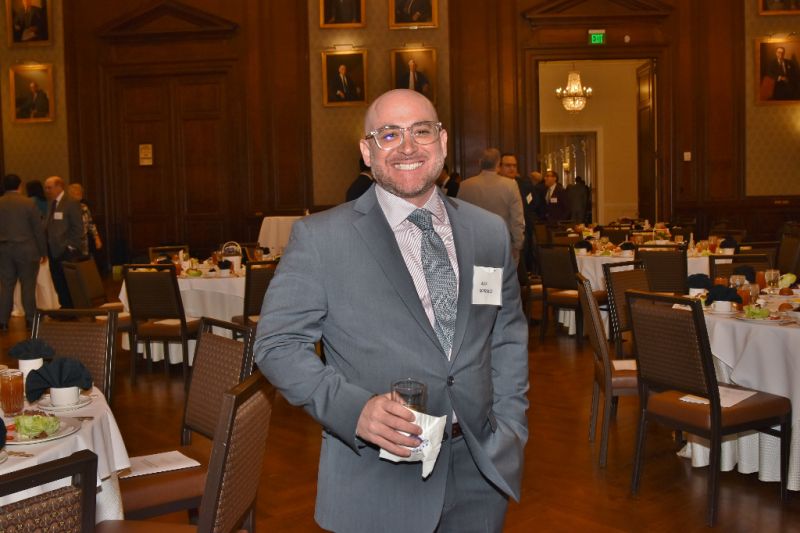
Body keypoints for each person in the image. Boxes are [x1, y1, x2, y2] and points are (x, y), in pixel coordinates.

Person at [255, 89, 528, 532]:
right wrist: (354, 410)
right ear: (367, 151)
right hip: (377, 478)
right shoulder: (321, 239)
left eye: (421, 131)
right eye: (389, 134)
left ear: (442, 142)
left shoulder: (488, 233)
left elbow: (507, 333)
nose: (407, 146)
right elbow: (277, 345)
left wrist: (511, 425)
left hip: (479, 472)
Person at [458, 148, 525, 265]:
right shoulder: (510, 186)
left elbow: (459, 219)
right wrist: (518, 244)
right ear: (498, 164)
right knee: (502, 276)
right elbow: (517, 219)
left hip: (473, 245)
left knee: (478, 277)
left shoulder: (465, 185)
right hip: (502, 245)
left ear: (480, 163)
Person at [0, 174, 47, 331]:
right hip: (27, 249)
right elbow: (38, 230)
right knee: (28, 285)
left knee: (6, 286)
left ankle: (2, 321)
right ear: (20, 186)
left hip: (4, 250)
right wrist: (43, 251)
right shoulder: (28, 203)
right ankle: (30, 319)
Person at [43, 176, 83, 308]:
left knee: (68, 282)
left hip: (66, 250)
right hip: (53, 249)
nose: (47, 190)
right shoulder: (51, 203)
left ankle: (72, 309)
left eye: (49, 188)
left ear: (59, 187)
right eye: (46, 188)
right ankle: (64, 307)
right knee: (58, 280)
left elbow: (78, 227)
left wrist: (71, 246)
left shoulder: (71, 202)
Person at [499, 153, 536, 272]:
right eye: (508, 165)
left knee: (523, 269)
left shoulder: (524, 184)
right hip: (503, 234)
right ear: (499, 167)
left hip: (524, 231)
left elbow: (532, 204)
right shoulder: (496, 186)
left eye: (514, 165)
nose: (512, 168)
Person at [67, 183, 103, 258]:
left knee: (84, 261)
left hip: (84, 242)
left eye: (80, 192)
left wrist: (97, 238)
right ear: (70, 194)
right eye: (77, 192)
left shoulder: (84, 207)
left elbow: (90, 223)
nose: (80, 194)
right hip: (70, 242)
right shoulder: (66, 208)